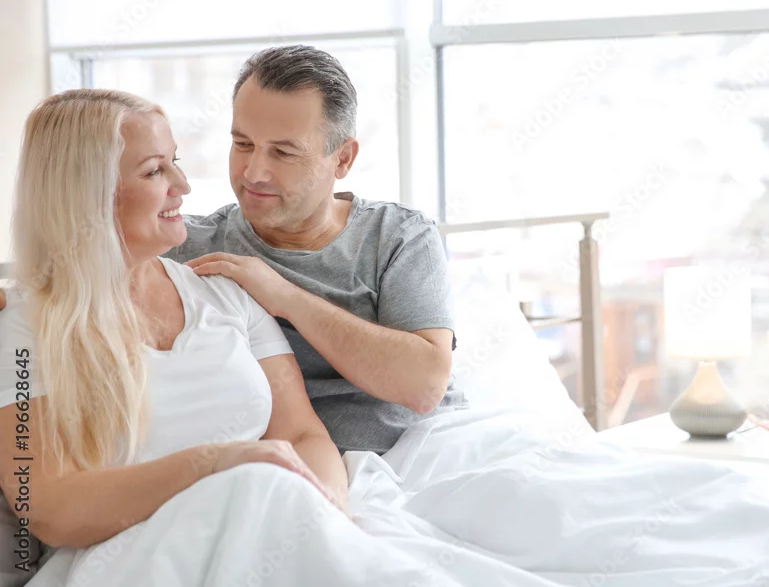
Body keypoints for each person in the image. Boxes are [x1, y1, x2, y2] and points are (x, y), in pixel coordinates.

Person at [0, 89, 348, 551]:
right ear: (85, 194)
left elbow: (304, 435)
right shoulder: (25, 326)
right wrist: (215, 462)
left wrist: (321, 518)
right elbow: (48, 506)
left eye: (175, 161)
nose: (182, 184)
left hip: (277, 527)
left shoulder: (225, 293)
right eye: (154, 170)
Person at [163, 44, 465, 455]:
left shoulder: (398, 237)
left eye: (283, 152)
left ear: (342, 159)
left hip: (424, 456)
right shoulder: (188, 249)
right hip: (285, 470)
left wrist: (284, 297)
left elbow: (424, 386)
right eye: (243, 144)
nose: (253, 172)